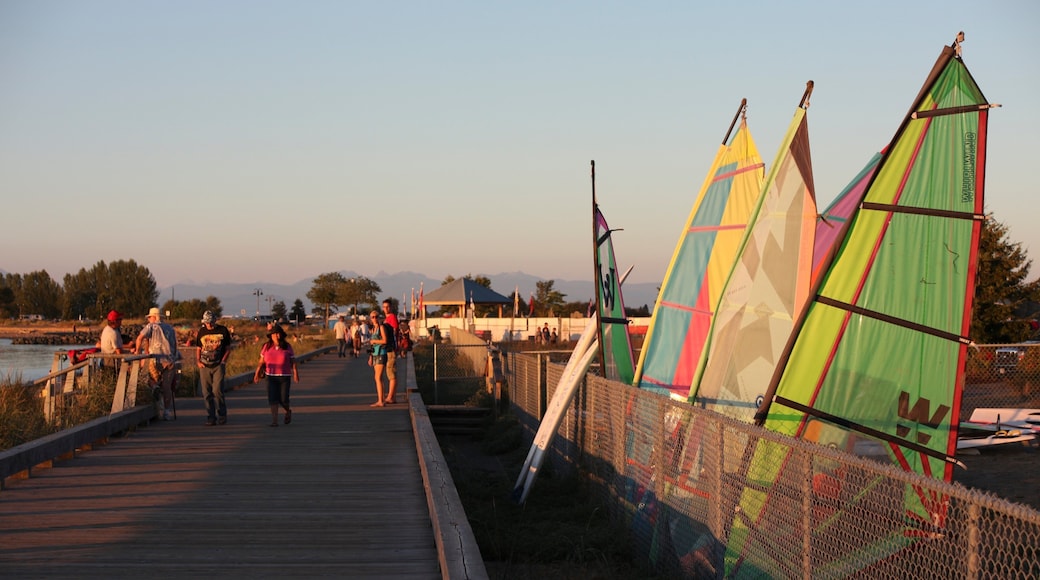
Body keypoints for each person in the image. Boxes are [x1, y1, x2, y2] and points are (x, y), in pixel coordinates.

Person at [134, 307, 180, 421]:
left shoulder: (151, 326)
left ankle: (155, 388)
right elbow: (175, 345)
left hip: (156, 360)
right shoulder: (170, 328)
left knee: (149, 379)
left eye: (150, 317)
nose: (149, 320)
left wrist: (137, 352)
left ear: (154, 317)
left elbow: (140, 338)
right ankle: (166, 411)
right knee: (167, 387)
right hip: (170, 360)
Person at [254, 324, 298, 427]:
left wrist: (295, 373)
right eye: (274, 334)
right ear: (270, 335)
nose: (276, 336)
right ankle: (275, 421)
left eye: (278, 334)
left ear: (281, 335)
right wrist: (256, 373)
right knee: (273, 399)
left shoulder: (287, 346)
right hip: (270, 376)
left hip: (284, 376)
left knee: (283, 399)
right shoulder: (266, 346)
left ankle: (287, 410)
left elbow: (293, 361)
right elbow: (261, 362)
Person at [194, 310, 233, 426]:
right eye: (207, 323)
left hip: (218, 365)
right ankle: (211, 417)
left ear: (215, 321)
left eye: (210, 322)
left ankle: (222, 414)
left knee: (217, 390)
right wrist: (198, 361)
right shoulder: (202, 331)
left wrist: (223, 361)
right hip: (204, 365)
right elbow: (198, 348)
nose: (209, 325)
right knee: (206, 392)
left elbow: (228, 348)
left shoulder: (223, 331)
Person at [367, 311, 388, 407]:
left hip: (381, 353)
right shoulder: (372, 329)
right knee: (379, 378)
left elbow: (384, 340)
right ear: (370, 318)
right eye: (372, 317)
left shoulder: (381, 327)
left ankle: (380, 400)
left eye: (376, 317)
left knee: (377, 377)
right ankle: (381, 399)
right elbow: (371, 345)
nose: (374, 319)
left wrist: (374, 340)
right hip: (375, 354)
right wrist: (370, 357)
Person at [381, 299, 399, 404]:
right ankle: (392, 396)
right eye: (384, 307)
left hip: (391, 348)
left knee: (391, 372)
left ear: (391, 307)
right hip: (388, 348)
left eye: (388, 306)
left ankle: (390, 396)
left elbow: (394, 331)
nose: (386, 309)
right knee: (390, 372)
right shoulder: (387, 318)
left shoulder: (391, 317)